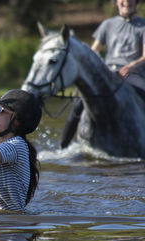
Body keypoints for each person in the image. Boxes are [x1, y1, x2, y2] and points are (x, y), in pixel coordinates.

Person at [60, 0, 145, 148]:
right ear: (117, 3)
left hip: (133, 74)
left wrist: (130, 66)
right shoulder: (107, 24)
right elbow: (92, 53)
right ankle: (63, 147)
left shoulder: (143, 25)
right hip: (108, 73)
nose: (127, 2)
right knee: (81, 103)